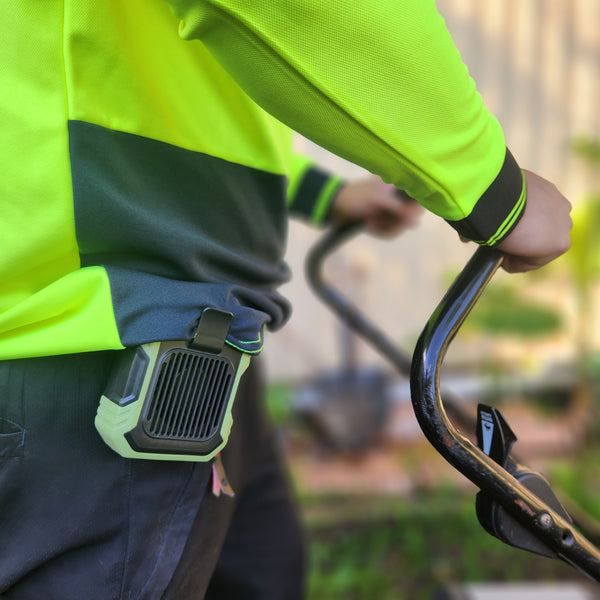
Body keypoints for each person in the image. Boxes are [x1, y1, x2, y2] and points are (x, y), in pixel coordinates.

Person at [0, 1, 571, 599]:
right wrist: (493, 187)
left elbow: (178, 99)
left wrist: (328, 197)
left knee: (264, 570)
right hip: (98, 350)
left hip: (198, 340)